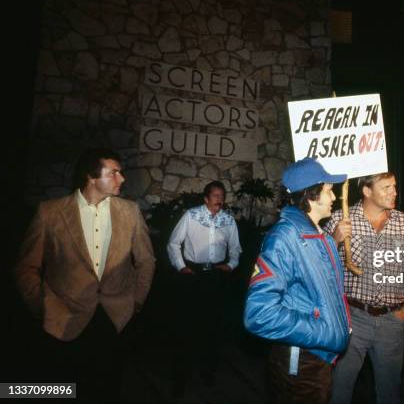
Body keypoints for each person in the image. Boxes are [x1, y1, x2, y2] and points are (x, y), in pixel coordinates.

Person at [14, 147, 156, 403]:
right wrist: (41, 305)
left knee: (108, 388)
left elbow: (146, 261)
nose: (122, 179)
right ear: (91, 177)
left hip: (114, 318)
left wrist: (136, 301)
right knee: (64, 389)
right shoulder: (50, 212)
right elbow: (27, 266)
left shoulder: (130, 212)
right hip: (63, 318)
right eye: (114, 173)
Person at [243, 157, 351, 404]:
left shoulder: (316, 234)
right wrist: (323, 329)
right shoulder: (284, 237)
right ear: (312, 195)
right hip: (301, 363)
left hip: (317, 358)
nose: (334, 197)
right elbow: (259, 313)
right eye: (329, 190)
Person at [324, 172, 404, 404]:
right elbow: (320, 268)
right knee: (340, 386)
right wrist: (334, 241)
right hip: (353, 317)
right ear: (367, 191)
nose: (394, 192)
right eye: (386, 187)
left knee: (389, 389)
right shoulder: (340, 218)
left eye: (394, 186)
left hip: (391, 320)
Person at [167, 180, 241, 390]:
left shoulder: (228, 220)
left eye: (222, 196)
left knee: (213, 327)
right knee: (186, 327)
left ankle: (208, 373)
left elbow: (236, 248)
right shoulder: (191, 216)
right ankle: (180, 378)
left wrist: (231, 264)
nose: (220, 200)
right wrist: (181, 266)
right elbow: (173, 243)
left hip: (216, 276)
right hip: (192, 275)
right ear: (206, 198)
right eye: (216, 196)